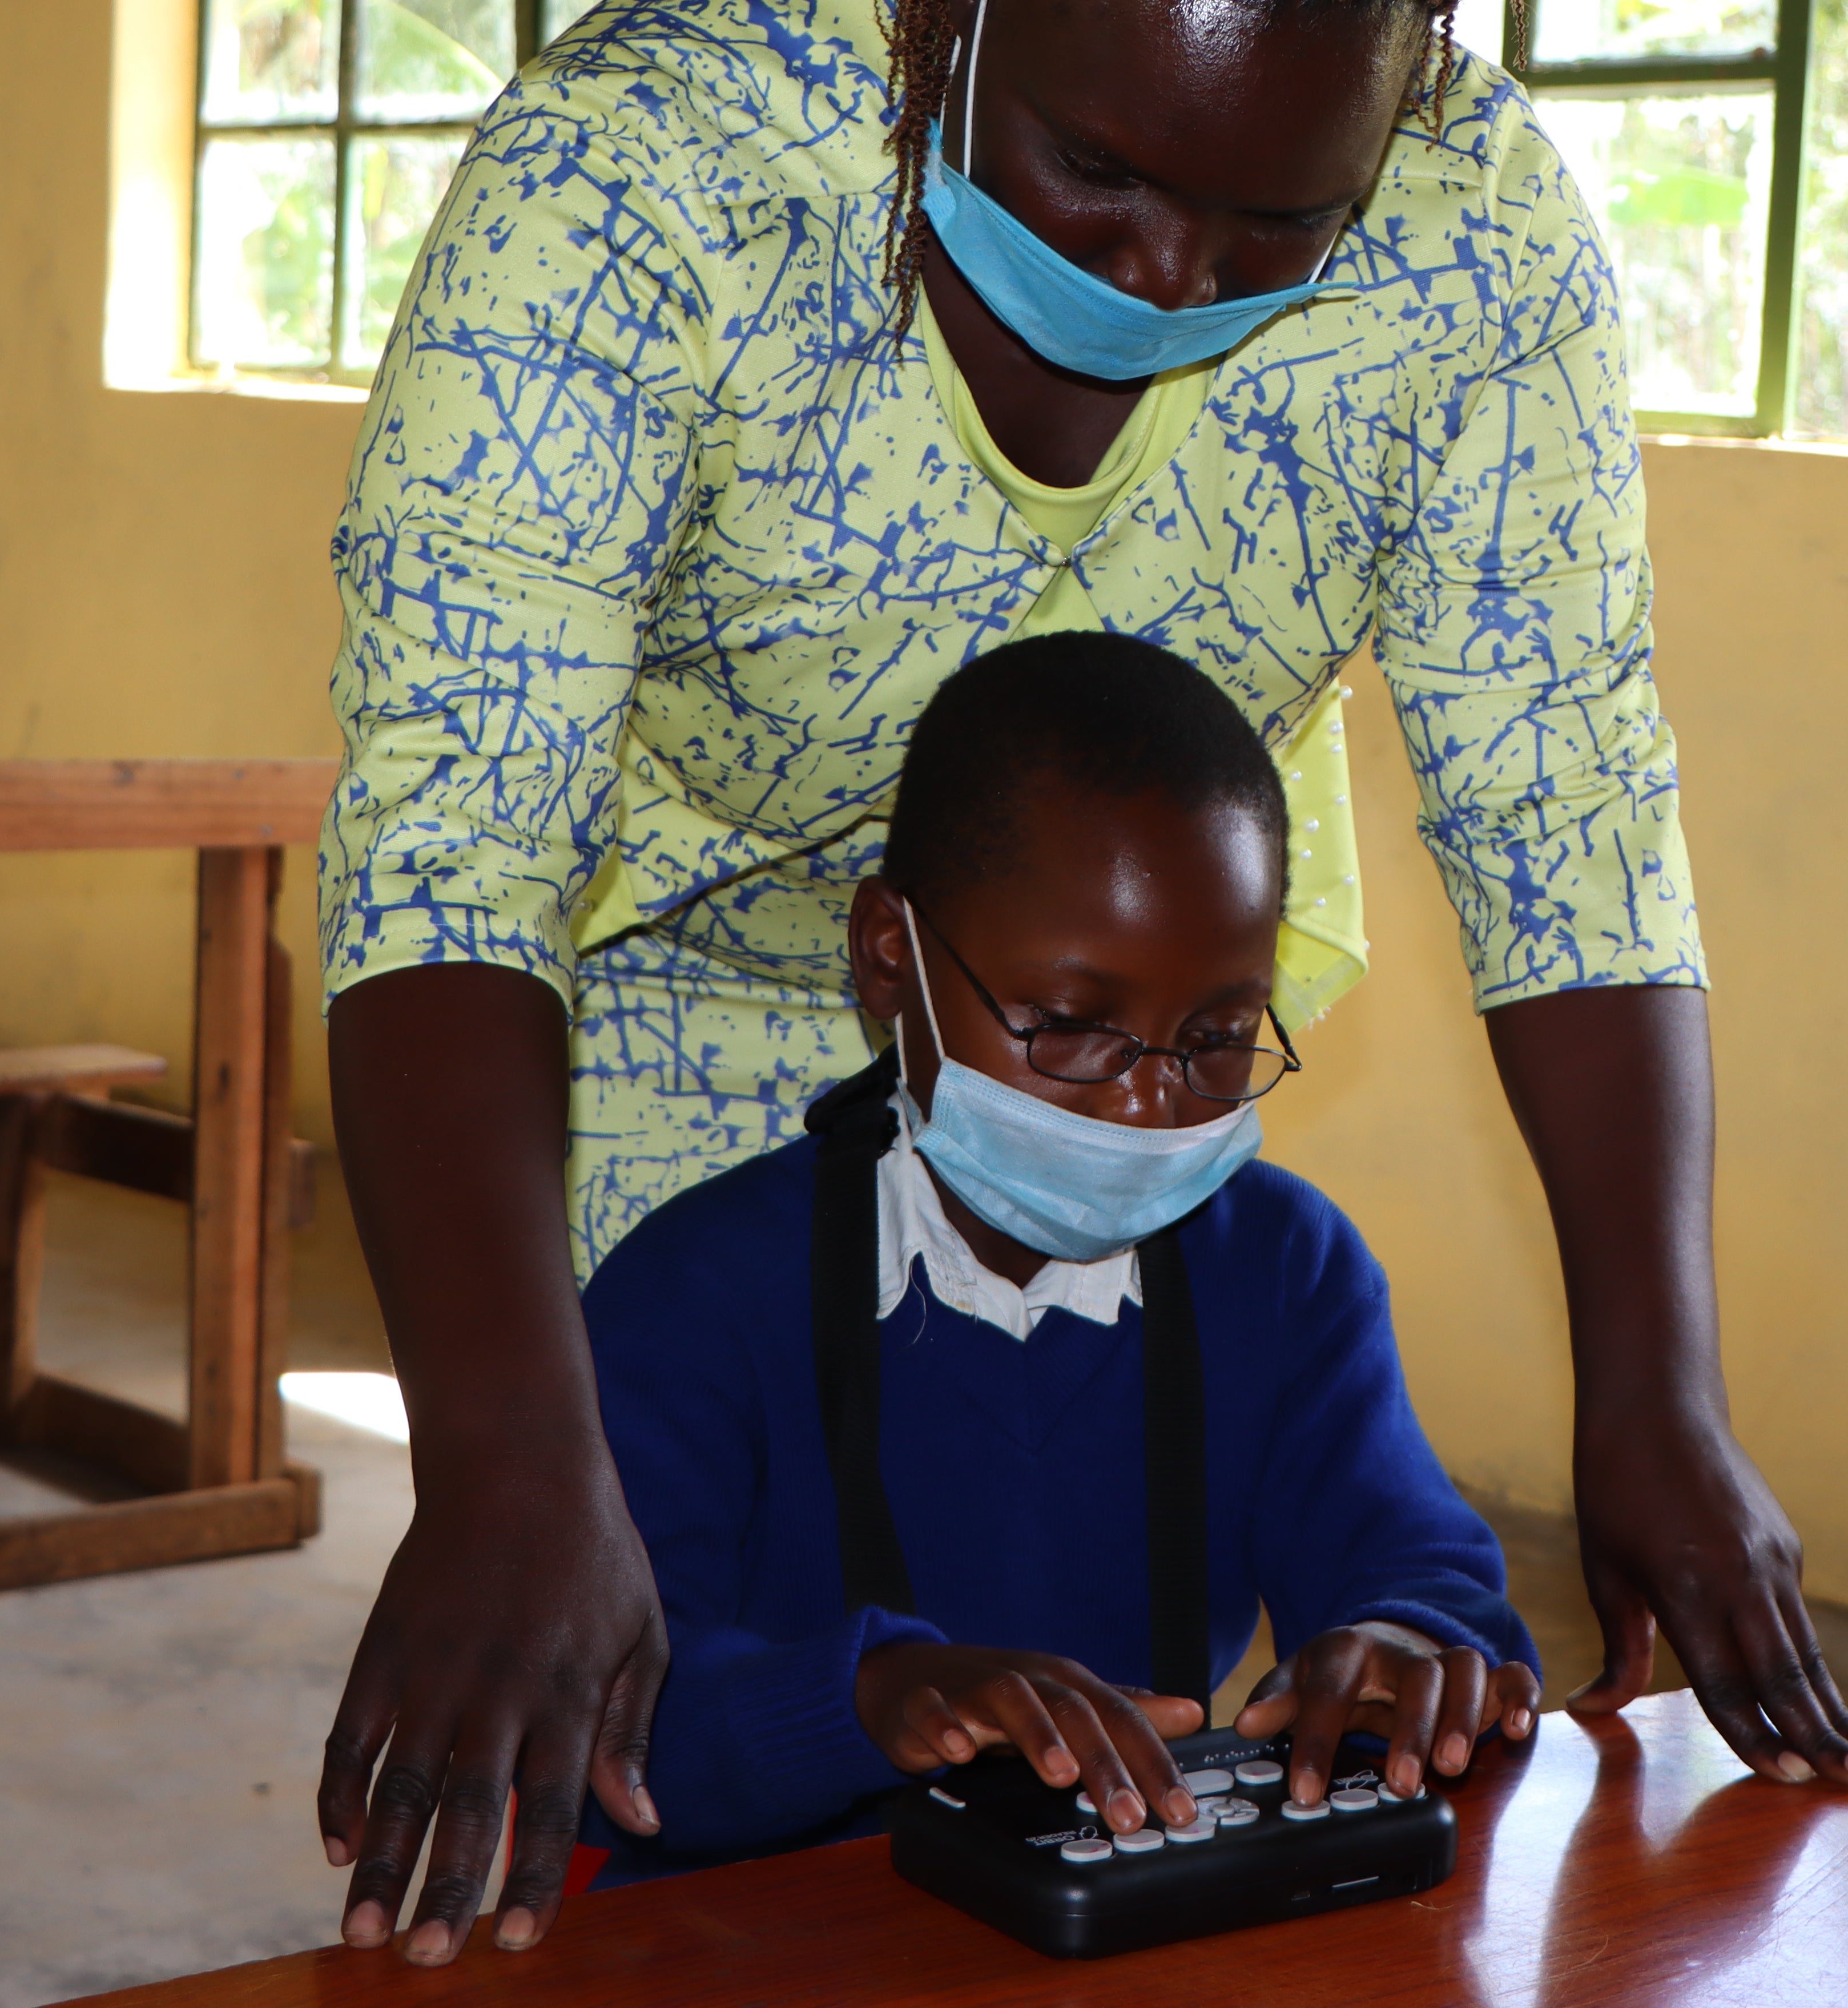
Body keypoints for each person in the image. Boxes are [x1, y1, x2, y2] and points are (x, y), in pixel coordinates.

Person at [314, 0, 1848, 1966]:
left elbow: (1571, 827)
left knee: (1092, 1778)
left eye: (1280, 217)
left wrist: (1659, 1393)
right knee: (700, 1739)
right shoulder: (647, 183)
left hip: (1110, 1040)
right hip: (624, 1035)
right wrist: (507, 1454)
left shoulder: (1479, 261)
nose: (1167, 280)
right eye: (1092, 175)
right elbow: (447, 848)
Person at [575, 632, 1539, 1882]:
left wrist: (1404, 1645)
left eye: (1217, 1037)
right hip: (769, 1938)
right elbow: (617, 1735)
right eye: (1072, 1028)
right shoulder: (693, 1297)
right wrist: (869, 1697)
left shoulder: (1286, 1274)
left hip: (1118, 1920)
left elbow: (1424, 1567)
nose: (1150, 1104)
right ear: (889, 957)